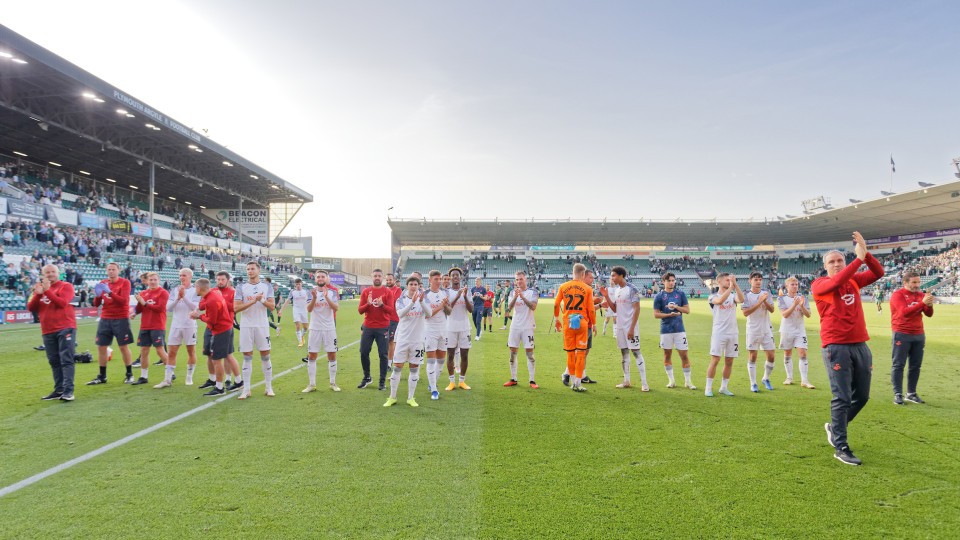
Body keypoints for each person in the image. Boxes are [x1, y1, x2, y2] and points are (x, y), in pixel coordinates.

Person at [812, 231, 884, 466]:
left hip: (860, 344)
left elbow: (878, 273)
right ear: (825, 267)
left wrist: (867, 255)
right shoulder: (820, 284)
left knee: (862, 396)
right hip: (836, 346)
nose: (835, 264)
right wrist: (858, 259)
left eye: (839, 261)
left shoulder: (853, 279)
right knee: (842, 397)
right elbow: (837, 281)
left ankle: (835, 427)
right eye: (831, 262)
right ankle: (841, 447)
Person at [28, 264, 77, 401]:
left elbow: (62, 303)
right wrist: (38, 294)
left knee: (66, 360)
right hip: (47, 330)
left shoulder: (66, 286)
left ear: (58, 273)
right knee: (54, 361)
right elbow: (31, 308)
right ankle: (59, 390)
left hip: (65, 327)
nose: (50, 274)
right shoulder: (39, 288)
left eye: (53, 272)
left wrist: (47, 291)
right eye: (47, 272)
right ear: (43, 274)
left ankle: (68, 391)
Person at [889, 270, 935, 405]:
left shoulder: (921, 295)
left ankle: (911, 393)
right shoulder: (898, 295)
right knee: (898, 365)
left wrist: (929, 305)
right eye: (914, 282)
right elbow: (904, 313)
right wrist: (922, 303)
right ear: (905, 283)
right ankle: (898, 394)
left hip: (918, 334)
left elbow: (929, 314)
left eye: (918, 282)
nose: (917, 285)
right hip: (902, 333)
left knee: (915, 366)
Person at [384, 276, 431, 408]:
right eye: (411, 284)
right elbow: (400, 314)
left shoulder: (424, 298)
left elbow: (430, 313)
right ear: (407, 286)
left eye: (416, 284)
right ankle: (392, 397)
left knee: (414, 368)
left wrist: (421, 302)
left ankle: (411, 397)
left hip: (418, 340)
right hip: (403, 338)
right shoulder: (401, 299)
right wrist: (412, 303)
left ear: (418, 286)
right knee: (397, 367)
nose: (413, 286)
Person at [87, 262, 135, 385]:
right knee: (101, 347)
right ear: (106, 271)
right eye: (109, 269)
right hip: (105, 318)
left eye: (113, 269)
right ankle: (102, 376)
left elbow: (123, 301)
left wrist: (110, 293)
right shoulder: (103, 283)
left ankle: (129, 374)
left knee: (123, 346)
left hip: (121, 318)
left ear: (118, 270)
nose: (111, 271)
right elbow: (96, 304)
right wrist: (97, 295)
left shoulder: (125, 282)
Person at [601, 266, 648, 391]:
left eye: (613, 275)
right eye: (611, 276)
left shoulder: (632, 289)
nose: (612, 278)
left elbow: (637, 308)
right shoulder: (617, 291)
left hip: (630, 326)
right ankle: (626, 381)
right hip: (620, 327)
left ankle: (644, 383)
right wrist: (606, 296)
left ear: (621, 275)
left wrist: (632, 328)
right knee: (624, 353)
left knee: (636, 352)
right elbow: (615, 309)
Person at [234, 261, 276, 399]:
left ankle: (269, 387)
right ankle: (246, 389)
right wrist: (253, 301)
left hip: (262, 325)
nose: (250, 271)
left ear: (258, 270)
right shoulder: (241, 287)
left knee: (265, 355)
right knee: (247, 356)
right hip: (246, 325)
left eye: (252, 269)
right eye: (248, 269)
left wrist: (262, 300)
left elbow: (272, 307)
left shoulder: (267, 286)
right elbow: (236, 308)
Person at [554, 263, 596, 392]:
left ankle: (573, 382)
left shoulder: (563, 286)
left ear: (573, 272)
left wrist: (556, 319)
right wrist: (593, 323)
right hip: (582, 323)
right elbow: (591, 309)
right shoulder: (588, 289)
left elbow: (556, 304)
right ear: (583, 274)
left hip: (568, 323)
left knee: (570, 354)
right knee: (581, 354)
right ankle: (577, 383)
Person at [190, 278, 232, 397]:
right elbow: (203, 306)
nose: (195, 289)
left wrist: (198, 316)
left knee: (217, 360)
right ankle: (217, 383)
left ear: (199, 288)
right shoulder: (212, 294)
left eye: (195, 287)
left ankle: (219, 387)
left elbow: (212, 321)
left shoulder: (211, 299)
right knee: (216, 358)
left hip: (221, 330)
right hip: (223, 329)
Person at [704, 273, 744, 397]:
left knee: (729, 361)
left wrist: (735, 285)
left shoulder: (732, 296)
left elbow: (741, 300)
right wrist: (731, 288)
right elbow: (720, 301)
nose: (729, 281)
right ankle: (708, 388)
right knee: (715, 359)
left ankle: (724, 387)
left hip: (733, 333)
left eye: (730, 280)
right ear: (719, 282)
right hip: (719, 333)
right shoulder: (712, 296)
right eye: (727, 280)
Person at [653, 272, 694, 389]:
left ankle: (688, 382)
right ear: (663, 282)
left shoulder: (680, 294)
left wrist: (676, 307)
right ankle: (671, 381)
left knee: (684, 355)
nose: (671, 283)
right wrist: (668, 315)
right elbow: (656, 314)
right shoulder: (659, 296)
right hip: (665, 330)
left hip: (679, 330)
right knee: (667, 355)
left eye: (673, 280)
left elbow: (687, 310)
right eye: (669, 280)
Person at [157, 268, 197, 388]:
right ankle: (167, 379)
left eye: (184, 275)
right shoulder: (175, 290)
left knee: (191, 351)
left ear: (190, 276)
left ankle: (189, 376)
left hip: (189, 325)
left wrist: (184, 297)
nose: (181, 277)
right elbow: (168, 308)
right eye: (180, 275)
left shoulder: (196, 290)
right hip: (176, 325)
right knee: (172, 352)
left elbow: (195, 307)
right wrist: (178, 298)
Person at [357, 269, 397, 390]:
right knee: (363, 352)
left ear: (383, 277)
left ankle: (382, 381)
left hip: (383, 327)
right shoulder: (366, 292)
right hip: (368, 327)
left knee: (383, 354)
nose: (377, 278)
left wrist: (382, 305)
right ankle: (367, 377)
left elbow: (391, 310)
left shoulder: (387, 292)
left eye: (379, 276)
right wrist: (368, 304)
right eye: (375, 276)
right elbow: (360, 310)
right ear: (372, 277)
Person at [304, 270, 341, 393]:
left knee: (332, 354)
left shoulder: (332, 292)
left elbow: (336, 308)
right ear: (315, 279)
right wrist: (314, 298)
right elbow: (309, 309)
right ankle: (312, 384)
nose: (320, 278)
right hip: (315, 328)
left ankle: (332, 382)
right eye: (318, 277)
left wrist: (326, 298)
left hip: (329, 328)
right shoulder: (311, 292)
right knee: (312, 355)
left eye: (322, 277)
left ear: (326, 278)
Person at [130, 272, 170, 385]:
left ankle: (170, 373)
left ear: (159, 280)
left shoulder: (163, 293)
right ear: (147, 281)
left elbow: (160, 308)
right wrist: (135, 313)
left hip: (158, 325)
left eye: (154, 280)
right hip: (145, 325)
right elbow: (140, 307)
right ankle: (143, 377)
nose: (152, 282)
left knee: (160, 351)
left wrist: (144, 304)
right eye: (150, 280)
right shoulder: (144, 293)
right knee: (144, 351)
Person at [741, 271, 777, 393]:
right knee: (753, 356)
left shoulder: (767, 293)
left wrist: (765, 300)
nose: (758, 281)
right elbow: (745, 313)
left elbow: (772, 310)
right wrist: (759, 302)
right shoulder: (746, 295)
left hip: (766, 329)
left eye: (760, 279)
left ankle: (766, 378)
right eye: (756, 279)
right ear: (750, 281)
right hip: (753, 330)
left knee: (771, 356)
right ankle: (753, 383)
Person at [503, 271, 539, 388]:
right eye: (517, 279)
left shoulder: (532, 292)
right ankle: (513, 378)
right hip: (515, 326)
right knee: (512, 352)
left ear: (525, 279)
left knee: (530, 354)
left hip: (528, 326)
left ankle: (532, 380)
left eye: (521, 279)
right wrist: (515, 297)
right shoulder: (512, 292)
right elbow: (509, 307)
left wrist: (522, 297)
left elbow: (533, 307)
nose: (519, 281)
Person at [778, 276, 814, 388]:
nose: (795, 286)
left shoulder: (803, 298)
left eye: (796, 284)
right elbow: (785, 314)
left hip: (800, 331)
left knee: (803, 353)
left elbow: (808, 315)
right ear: (787, 286)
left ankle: (805, 380)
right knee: (787, 353)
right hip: (786, 330)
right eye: (792, 284)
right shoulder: (782, 299)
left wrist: (802, 306)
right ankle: (789, 377)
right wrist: (794, 304)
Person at [421, 270, 451, 397]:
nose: (439, 281)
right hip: (430, 330)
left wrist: (445, 306)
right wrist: (440, 306)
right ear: (429, 280)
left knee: (441, 361)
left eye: (440, 279)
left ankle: (432, 383)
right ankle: (434, 389)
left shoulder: (444, 293)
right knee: (431, 361)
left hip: (443, 329)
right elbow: (427, 315)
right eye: (436, 279)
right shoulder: (425, 295)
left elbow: (449, 312)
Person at [444, 268, 473, 395]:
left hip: (464, 327)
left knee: (464, 355)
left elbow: (471, 310)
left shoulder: (468, 291)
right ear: (450, 278)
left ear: (460, 278)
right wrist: (458, 295)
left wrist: (465, 296)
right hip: (450, 328)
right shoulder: (446, 292)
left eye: (457, 275)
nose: (455, 277)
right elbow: (447, 309)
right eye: (453, 275)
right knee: (450, 355)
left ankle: (461, 381)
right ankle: (451, 382)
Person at [213, 271, 243, 391]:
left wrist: (221, 301)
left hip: (225, 326)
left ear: (227, 280)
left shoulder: (232, 292)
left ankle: (229, 380)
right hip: (212, 326)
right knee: (214, 355)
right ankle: (217, 380)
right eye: (218, 279)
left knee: (226, 355)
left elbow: (234, 308)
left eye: (222, 280)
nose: (220, 282)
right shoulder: (213, 291)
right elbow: (203, 304)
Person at [281, 278, 311, 347]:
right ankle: (300, 341)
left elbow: (310, 300)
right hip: (296, 310)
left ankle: (302, 336)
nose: (298, 285)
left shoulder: (306, 291)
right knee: (298, 325)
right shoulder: (292, 292)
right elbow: (287, 301)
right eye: (296, 284)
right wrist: (281, 310)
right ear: (295, 284)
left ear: (301, 284)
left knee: (306, 327)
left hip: (304, 310)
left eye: (299, 284)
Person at [384, 273, 403, 367]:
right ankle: (386, 361)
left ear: (394, 280)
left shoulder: (398, 290)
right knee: (384, 342)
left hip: (393, 319)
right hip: (384, 319)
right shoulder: (384, 290)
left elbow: (393, 301)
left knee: (391, 341)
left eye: (390, 280)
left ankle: (389, 363)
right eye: (387, 280)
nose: (388, 281)